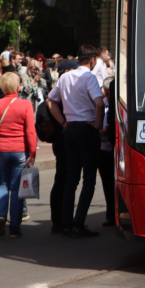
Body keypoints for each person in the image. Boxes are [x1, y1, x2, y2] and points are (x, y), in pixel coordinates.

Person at [49, 44, 106, 238]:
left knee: (71, 178)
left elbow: (50, 100)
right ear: (92, 61)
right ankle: (78, 222)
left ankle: (65, 222)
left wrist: (63, 122)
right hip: (86, 128)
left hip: (70, 128)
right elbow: (99, 102)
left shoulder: (65, 77)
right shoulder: (89, 77)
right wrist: (98, 124)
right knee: (88, 178)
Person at [0, 71, 37, 237]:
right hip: (20, 151)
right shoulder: (26, 105)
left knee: (2, 185)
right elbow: (30, 131)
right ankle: (15, 227)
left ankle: (0, 215)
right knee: (16, 189)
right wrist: (33, 152)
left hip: (0, 150)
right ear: (17, 86)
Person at [97, 78, 117, 228]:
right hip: (104, 150)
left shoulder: (117, 104)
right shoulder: (101, 104)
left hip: (116, 149)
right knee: (108, 184)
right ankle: (111, 215)